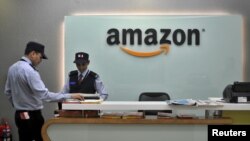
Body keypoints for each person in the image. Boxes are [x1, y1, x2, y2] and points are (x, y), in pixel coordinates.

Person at [4, 41, 83, 141]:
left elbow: (7, 91)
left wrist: (18, 105)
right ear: (33, 54)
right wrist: (70, 96)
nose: (40, 60)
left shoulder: (12, 68)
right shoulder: (30, 71)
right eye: (40, 57)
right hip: (32, 116)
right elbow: (45, 95)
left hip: (19, 115)